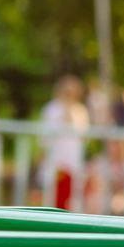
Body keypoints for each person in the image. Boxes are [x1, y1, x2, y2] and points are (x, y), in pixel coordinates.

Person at [37, 74, 88, 211]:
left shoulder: (80, 110)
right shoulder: (51, 109)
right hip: (56, 160)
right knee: (52, 198)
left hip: (72, 161)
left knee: (71, 199)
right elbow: (46, 135)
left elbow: (83, 135)